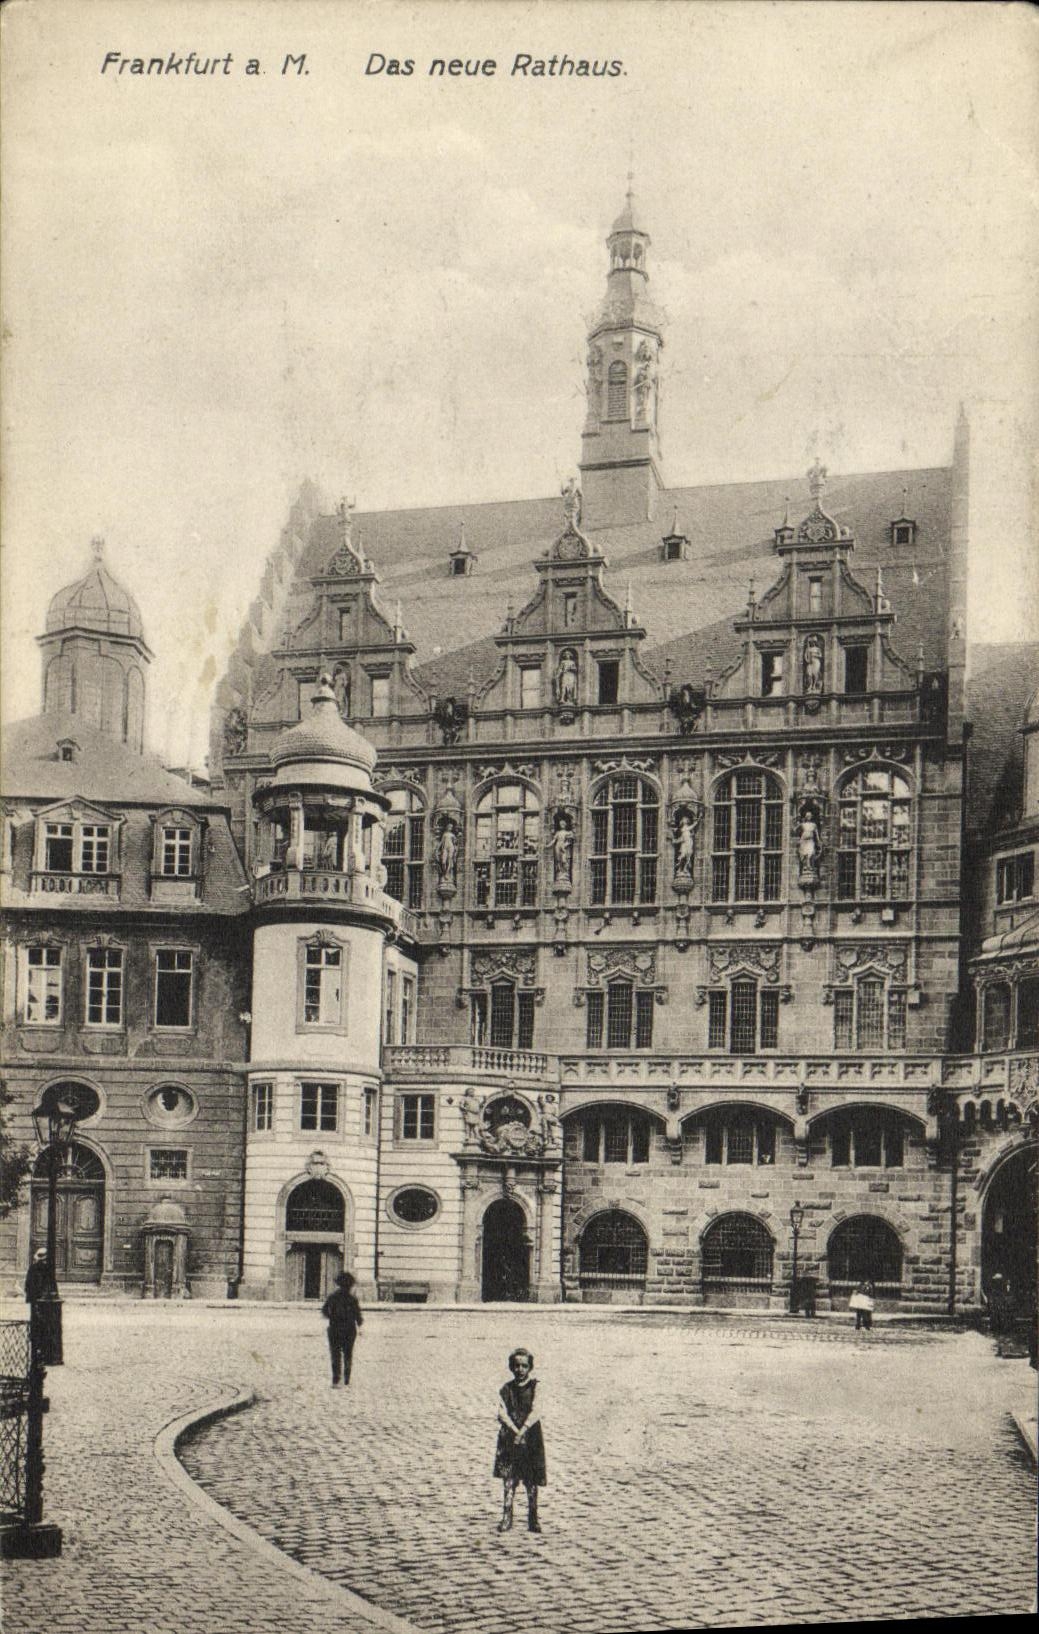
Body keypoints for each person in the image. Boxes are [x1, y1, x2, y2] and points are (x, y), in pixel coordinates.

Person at [493, 1347, 546, 1534]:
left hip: (531, 1437)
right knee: (509, 1479)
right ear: (511, 1367)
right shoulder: (505, 1390)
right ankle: (507, 1516)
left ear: (530, 1367)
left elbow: (536, 1411)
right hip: (510, 1438)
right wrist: (515, 1431)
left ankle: (533, 1518)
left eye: (524, 1366)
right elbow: (502, 1414)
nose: (520, 1369)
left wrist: (523, 1430)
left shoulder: (535, 1387)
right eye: (516, 1366)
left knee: (531, 1480)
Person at [320, 1271, 363, 1388]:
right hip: (349, 1330)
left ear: (338, 1284)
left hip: (334, 1329)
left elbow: (324, 1310)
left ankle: (336, 1379)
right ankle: (347, 1379)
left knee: (335, 1354)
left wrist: (331, 1317)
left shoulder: (332, 1297)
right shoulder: (352, 1299)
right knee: (348, 1354)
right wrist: (359, 1325)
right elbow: (358, 1316)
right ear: (350, 1285)